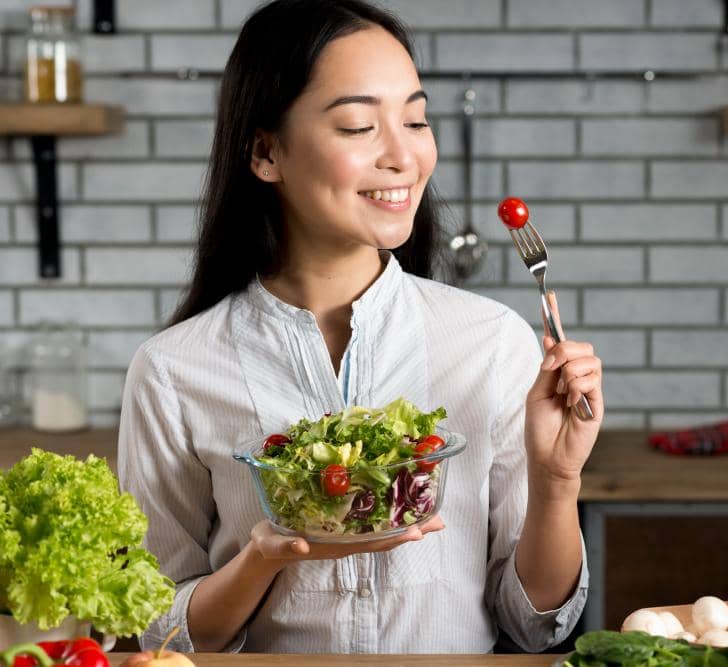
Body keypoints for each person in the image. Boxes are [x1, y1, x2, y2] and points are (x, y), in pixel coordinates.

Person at [117, 0, 604, 656]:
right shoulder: (174, 369)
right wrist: (262, 558)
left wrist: (557, 482)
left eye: (415, 119)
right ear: (265, 151)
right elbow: (152, 626)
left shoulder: (491, 343)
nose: (405, 155)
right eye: (357, 125)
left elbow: (533, 622)